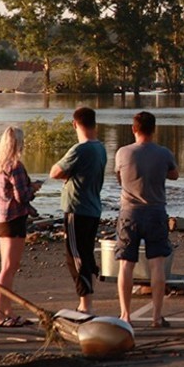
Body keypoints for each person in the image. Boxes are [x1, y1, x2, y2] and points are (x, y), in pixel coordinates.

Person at [114, 111, 178, 328]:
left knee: (126, 264)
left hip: (129, 212)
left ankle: (125, 315)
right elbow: (175, 174)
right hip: (156, 211)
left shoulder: (123, 153)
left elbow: (118, 177)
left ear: (134, 129)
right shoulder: (164, 153)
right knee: (157, 264)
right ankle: (156, 316)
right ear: (154, 129)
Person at [50, 107, 106, 314]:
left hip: (77, 208)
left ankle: (85, 303)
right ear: (94, 124)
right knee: (86, 253)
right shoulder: (100, 148)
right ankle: (87, 298)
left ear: (75, 124)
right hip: (93, 207)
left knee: (75, 256)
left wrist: (67, 176)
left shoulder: (79, 150)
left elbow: (54, 172)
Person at [0, 126, 42, 327]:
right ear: (18, 143)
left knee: (7, 267)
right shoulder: (15, 166)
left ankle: (6, 310)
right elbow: (21, 196)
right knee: (9, 268)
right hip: (13, 220)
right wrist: (33, 188)